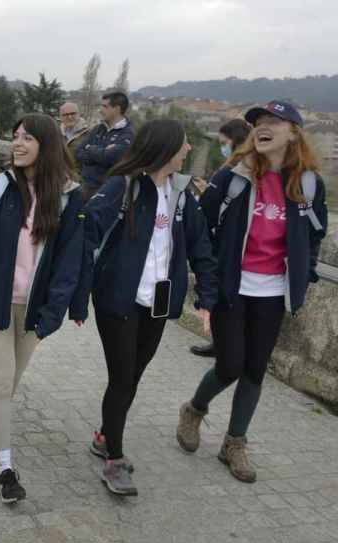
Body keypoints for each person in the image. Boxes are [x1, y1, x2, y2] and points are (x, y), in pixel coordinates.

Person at [176, 101, 327, 483]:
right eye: (258, 121)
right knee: (230, 365)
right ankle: (194, 409)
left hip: (273, 292)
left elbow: (314, 235)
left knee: (255, 370)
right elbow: (202, 226)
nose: (263, 126)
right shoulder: (234, 178)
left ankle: (235, 442)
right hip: (233, 286)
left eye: (274, 121)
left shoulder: (308, 184)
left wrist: (303, 275)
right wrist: (206, 280)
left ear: (293, 132)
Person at [0, 114, 85, 503]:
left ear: (48, 145)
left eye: (28, 138)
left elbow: (70, 263)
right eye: (16, 136)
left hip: (34, 309)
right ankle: (5, 469)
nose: (17, 144)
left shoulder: (69, 196)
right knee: (1, 381)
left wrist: (55, 313)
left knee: (11, 380)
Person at [82, 119, 217, 496]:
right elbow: (85, 230)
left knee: (133, 377)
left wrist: (206, 297)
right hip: (117, 300)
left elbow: (201, 246)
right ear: (165, 149)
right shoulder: (122, 186)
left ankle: (104, 435)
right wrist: (75, 291)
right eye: (184, 145)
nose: (188, 151)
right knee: (122, 379)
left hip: (157, 305)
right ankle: (113, 459)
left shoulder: (180, 194)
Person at [189, 117, 252, 358]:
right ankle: (224, 343)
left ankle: (222, 344)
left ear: (235, 142)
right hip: (241, 243)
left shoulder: (231, 169)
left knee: (220, 290)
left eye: (224, 142)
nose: (221, 147)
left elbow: (209, 207)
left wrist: (206, 194)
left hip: (224, 241)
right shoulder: (250, 168)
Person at [76, 91, 135, 197]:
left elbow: (111, 157)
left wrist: (90, 149)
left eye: (104, 106)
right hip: (85, 187)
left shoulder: (128, 134)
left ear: (117, 109)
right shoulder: (98, 129)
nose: (100, 110)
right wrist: (101, 153)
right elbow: (79, 152)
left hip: (107, 193)